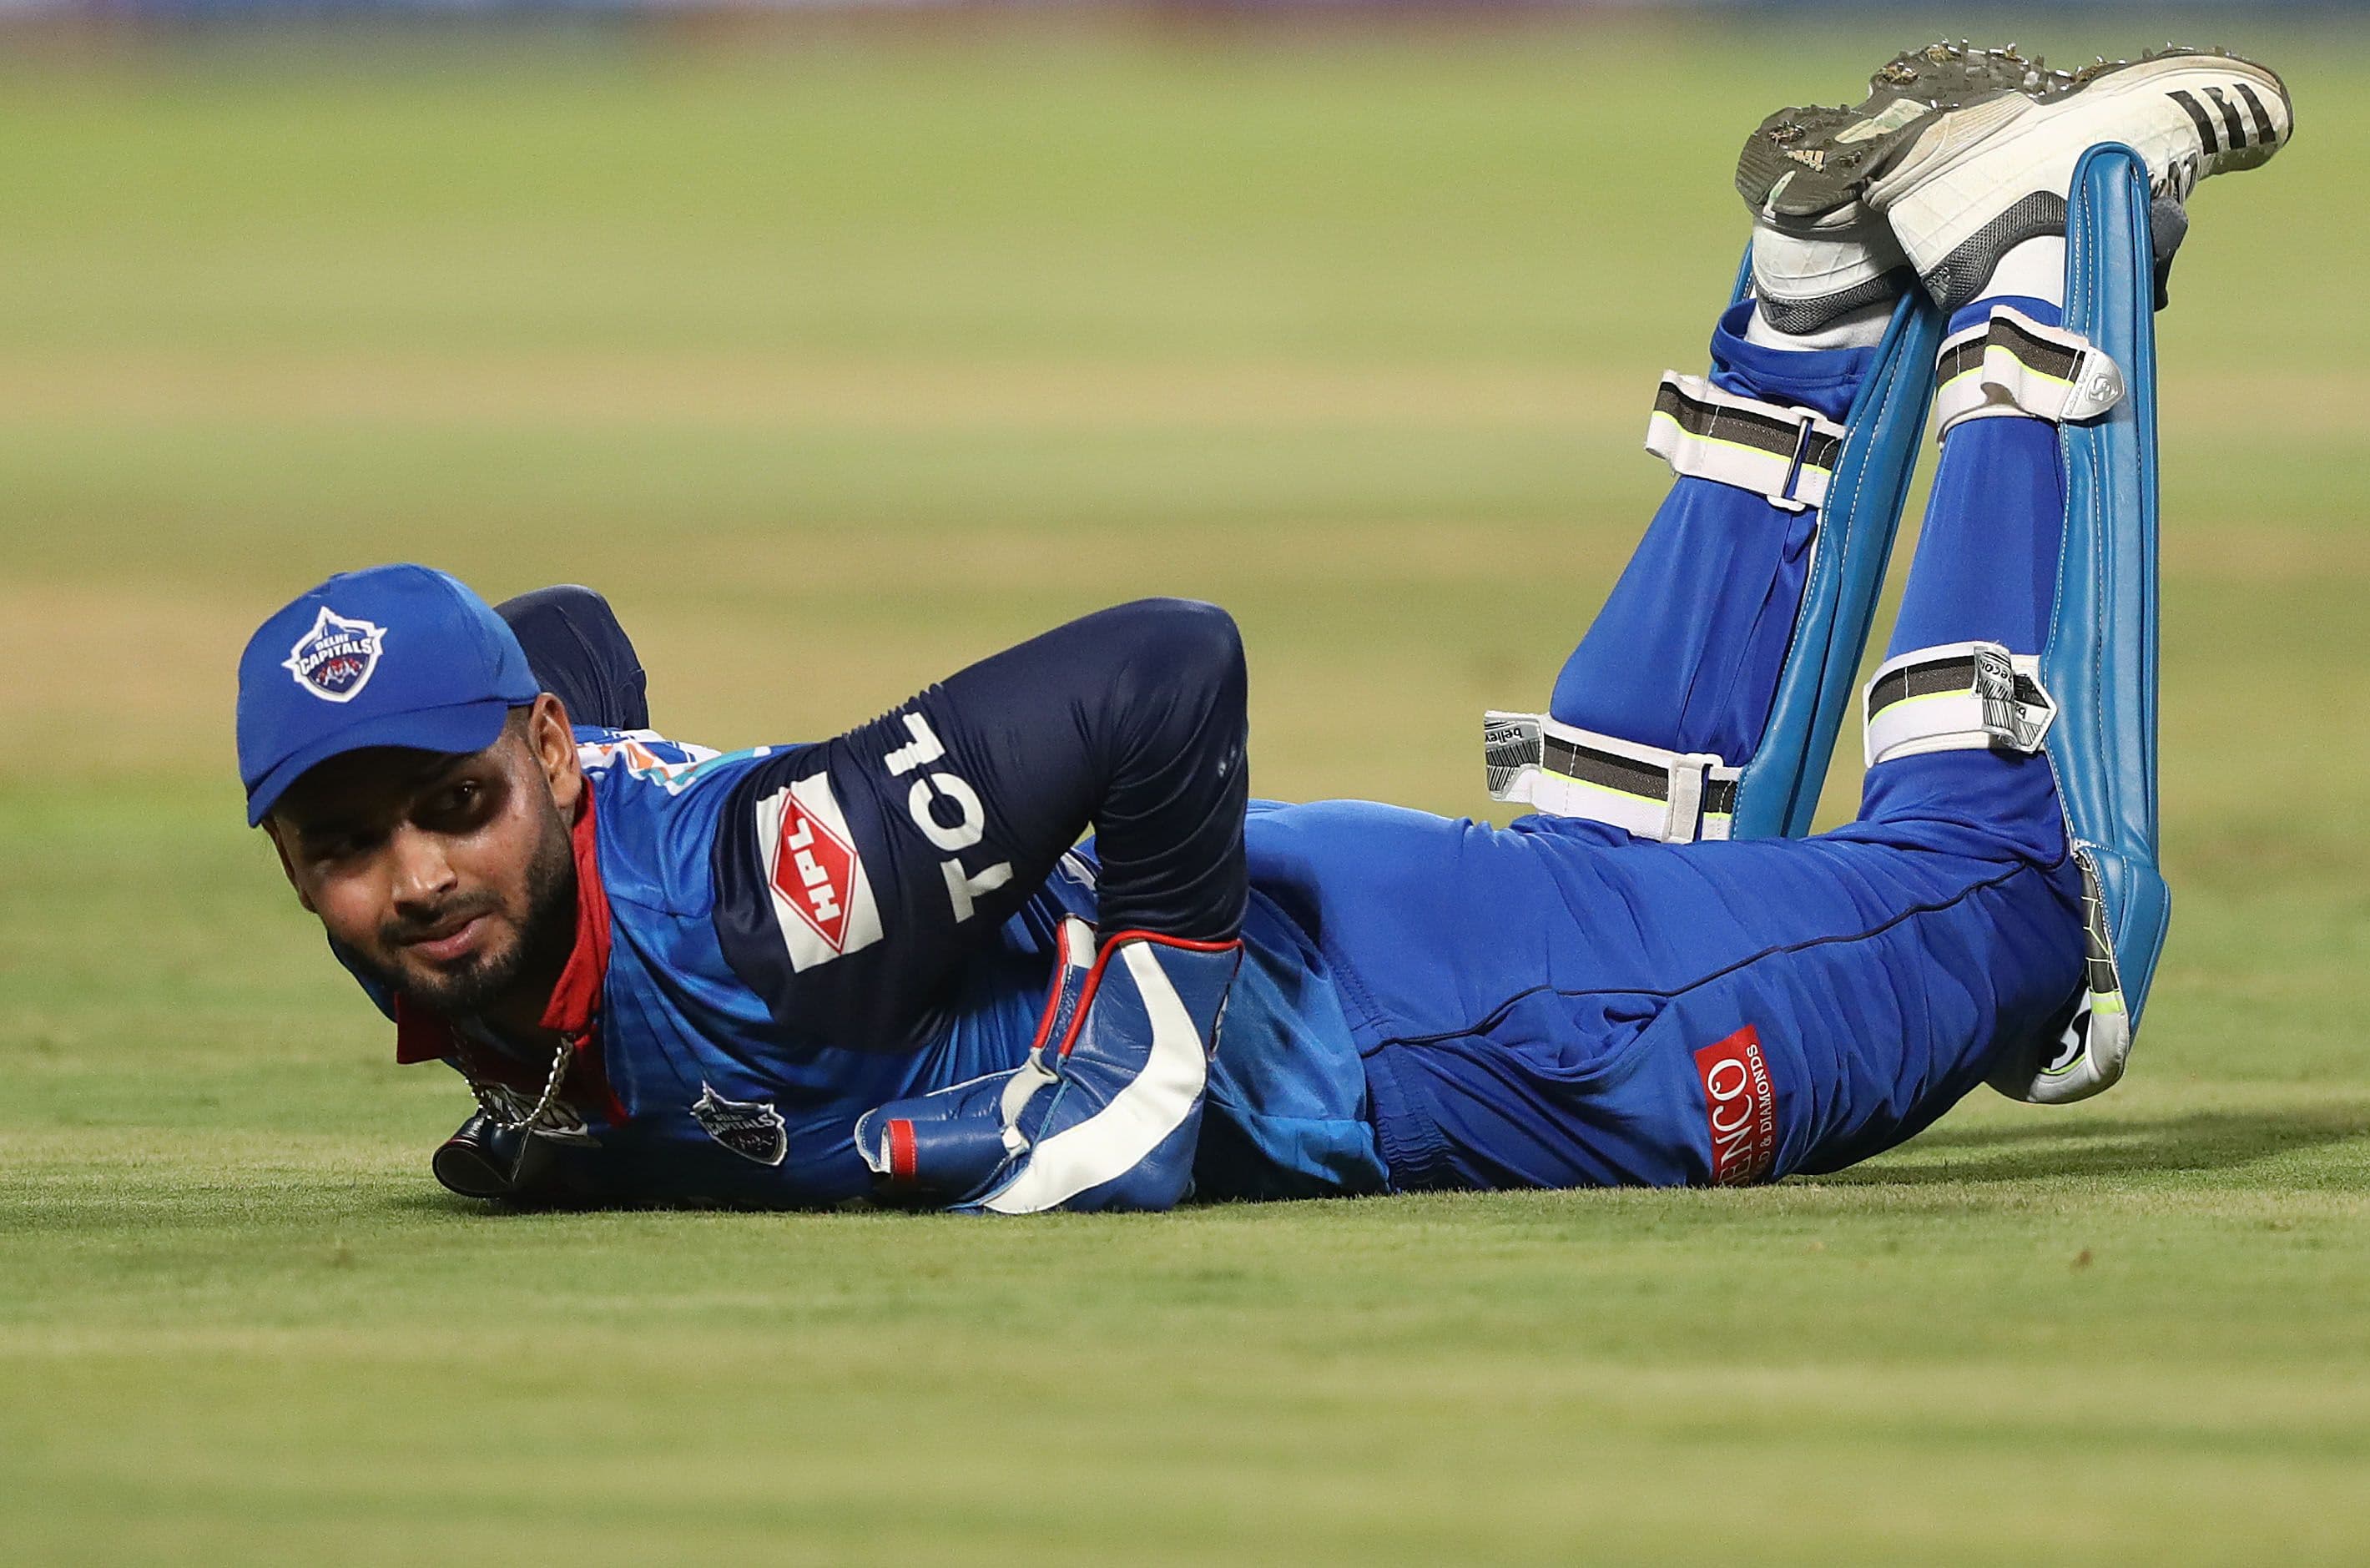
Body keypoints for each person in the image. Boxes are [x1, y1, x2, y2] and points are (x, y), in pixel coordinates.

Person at [234, 44, 2290, 1212]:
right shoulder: (560, 829)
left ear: (546, 761)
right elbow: (575, 634)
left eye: (453, 804)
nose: (416, 877)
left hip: (1463, 1052)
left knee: (2023, 898)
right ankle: (1821, 298)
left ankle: (2049, 221)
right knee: (1620, 872)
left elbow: (1161, 668)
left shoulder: (787, 893)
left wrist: (1139, 1040)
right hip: (1405, 941)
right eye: (352, 843)